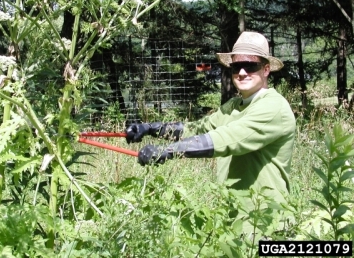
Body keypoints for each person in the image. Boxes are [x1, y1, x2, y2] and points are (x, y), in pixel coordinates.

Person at [125, 31, 296, 205]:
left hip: (264, 220)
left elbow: (228, 138)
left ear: (266, 69)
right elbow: (197, 129)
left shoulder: (274, 107)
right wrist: (150, 128)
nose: (242, 72)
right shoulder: (233, 106)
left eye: (250, 65)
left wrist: (166, 151)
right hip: (232, 217)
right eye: (237, 67)